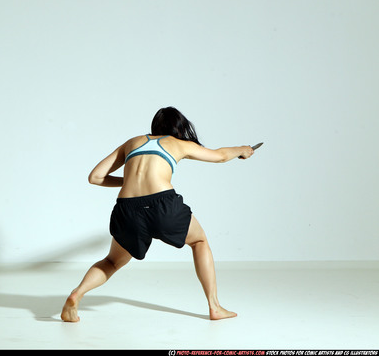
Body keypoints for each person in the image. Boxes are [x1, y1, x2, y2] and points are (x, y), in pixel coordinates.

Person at [61, 106, 254, 322]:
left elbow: (95, 177)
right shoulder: (179, 144)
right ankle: (215, 307)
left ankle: (77, 294)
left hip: (127, 209)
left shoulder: (132, 142)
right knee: (199, 241)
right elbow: (219, 156)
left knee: (112, 262)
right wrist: (242, 149)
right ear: (180, 128)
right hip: (163, 205)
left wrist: (132, 181)